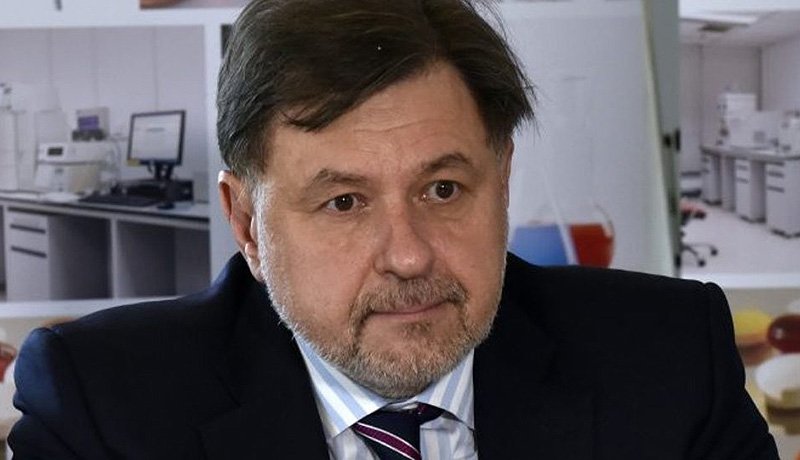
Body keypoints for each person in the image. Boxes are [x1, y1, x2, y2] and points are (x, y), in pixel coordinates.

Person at [9, 0, 778, 459]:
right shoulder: (103, 408)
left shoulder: (669, 359)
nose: (409, 256)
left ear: (502, 180)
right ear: (247, 224)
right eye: (344, 202)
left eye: (444, 189)